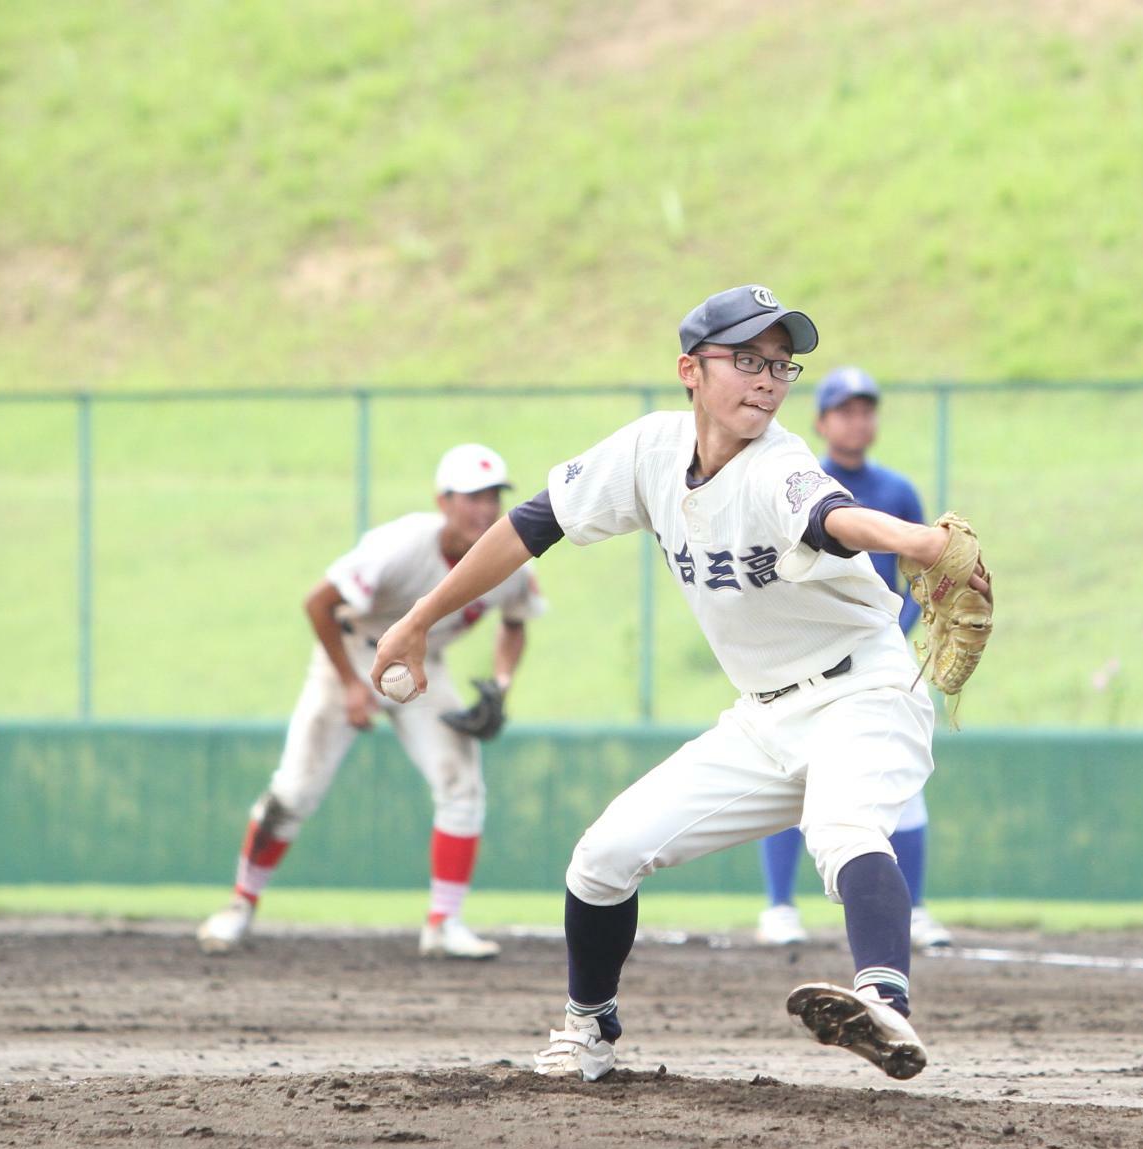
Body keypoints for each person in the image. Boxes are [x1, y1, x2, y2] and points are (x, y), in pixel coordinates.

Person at [369, 284, 990, 1082]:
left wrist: (917, 540)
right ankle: (587, 1029)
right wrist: (419, 619)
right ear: (690, 370)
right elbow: (533, 524)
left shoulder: (780, 466)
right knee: (602, 857)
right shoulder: (649, 454)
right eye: (746, 360)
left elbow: (831, 517)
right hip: (764, 718)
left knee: (842, 832)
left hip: (865, 692)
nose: (767, 379)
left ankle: (884, 1006)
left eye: (781, 364)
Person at [196, 444, 543, 960]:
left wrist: (501, 683)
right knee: (295, 792)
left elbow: (517, 621)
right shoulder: (402, 545)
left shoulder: (506, 558)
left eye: (493, 496)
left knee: (462, 784)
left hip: (423, 668)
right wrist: (352, 685)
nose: (485, 509)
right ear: (443, 501)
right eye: (472, 496)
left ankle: (443, 924)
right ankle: (239, 906)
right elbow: (318, 602)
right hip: (353, 656)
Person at [754, 366, 953, 950]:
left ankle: (913, 911)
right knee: (797, 777)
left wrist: (898, 635)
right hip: (807, 657)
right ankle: (779, 907)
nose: (856, 419)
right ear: (820, 421)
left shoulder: (896, 491)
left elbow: (917, 579)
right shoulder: (798, 481)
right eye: (844, 409)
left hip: (881, 659)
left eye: (865, 408)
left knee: (904, 779)